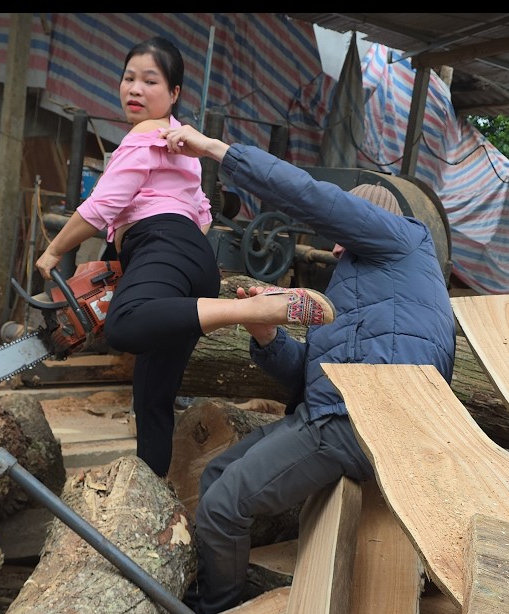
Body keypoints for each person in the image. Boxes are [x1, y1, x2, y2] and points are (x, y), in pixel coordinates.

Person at [160, 122, 457, 614]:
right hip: (332, 411)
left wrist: (217, 151)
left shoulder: (405, 240)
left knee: (223, 505)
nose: (334, 247)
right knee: (215, 474)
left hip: (363, 418)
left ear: (363, 223)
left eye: (342, 235)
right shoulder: (354, 286)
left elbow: (310, 196)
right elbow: (310, 379)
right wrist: (266, 336)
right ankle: (217, 584)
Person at [35, 37, 333, 478]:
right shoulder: (183, 149)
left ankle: (249, 309)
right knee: (152, 397)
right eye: (128, 78)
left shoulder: (142, 135)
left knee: (123, 323)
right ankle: (147, 488)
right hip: (195, 261)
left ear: (173, 93)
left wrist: (53, 250)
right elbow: (204, 216)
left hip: (163, 245)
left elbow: (102, 207)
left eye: (149, 81)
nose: (134, 89)